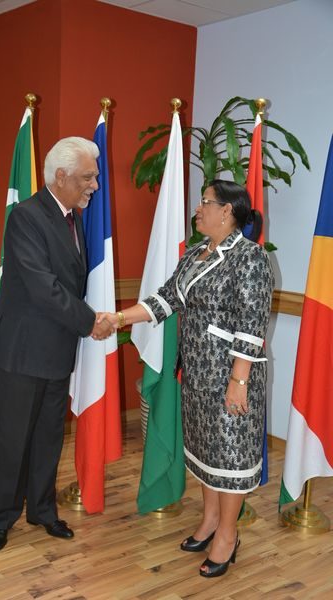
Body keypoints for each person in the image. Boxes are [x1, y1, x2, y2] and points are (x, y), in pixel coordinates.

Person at [98, 179, 274, 578]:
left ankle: (227, 535)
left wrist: (239, 382)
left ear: (226, 211)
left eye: (205, 202)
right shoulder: (196, 253)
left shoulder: (250, 258)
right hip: (196, 375)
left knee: (229, 456)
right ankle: (209, 521)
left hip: (230, 378)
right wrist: (118, 317)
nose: (198, 208)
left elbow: (251, 326)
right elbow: (165, 299)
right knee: (206, 452)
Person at [0, 137, 114, 553]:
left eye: (94, 177)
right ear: (60, 176)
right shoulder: (26, 217)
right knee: (13, 440)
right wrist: (90, 322)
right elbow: (44, 288)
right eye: (87, 177)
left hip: (57, 351)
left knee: (47, 437)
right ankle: (0, 519)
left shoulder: (71, 218)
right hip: (21, 353)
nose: (94, 185)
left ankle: (42, 510)